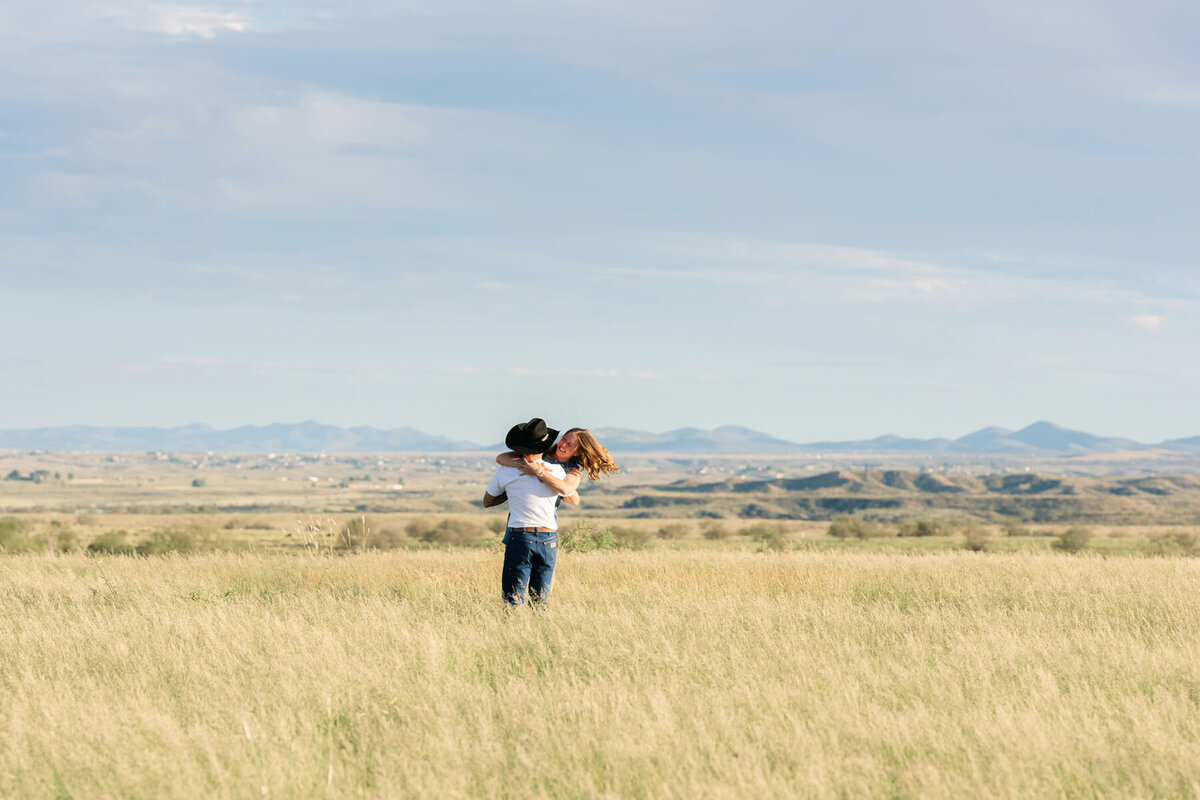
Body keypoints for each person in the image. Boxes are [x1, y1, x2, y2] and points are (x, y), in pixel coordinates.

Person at [483, 418, 570, 606]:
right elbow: (569, 493)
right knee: (541, 600)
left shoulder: (505, 471)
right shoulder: (556, 471)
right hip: (549, 537)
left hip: (520, 536)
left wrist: (511, 492)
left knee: (513, 597)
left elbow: (487, 501)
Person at [495, 427, 620, 507]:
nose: (563, 444)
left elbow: (573, 499)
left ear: (577, 452)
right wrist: (529, 466)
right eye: (564, 439)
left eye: (569, 444)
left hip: (544, 516)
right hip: (520, 510)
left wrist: (541, 473)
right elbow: (501, 458)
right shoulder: (540, 451)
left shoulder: (572, 471)